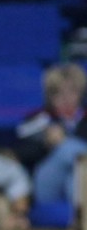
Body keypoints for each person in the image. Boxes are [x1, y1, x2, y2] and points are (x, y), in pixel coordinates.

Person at [14, 63, 87, 209]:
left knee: (74, 178)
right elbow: (21, 153)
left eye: (72, 91)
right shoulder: (37, 119)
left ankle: (81, 219)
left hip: (79, 181)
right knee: (67, 148)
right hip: (47, 183)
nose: (66, 98)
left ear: (81, 93)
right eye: (58, 92)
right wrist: (47, 143)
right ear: (49, 95)